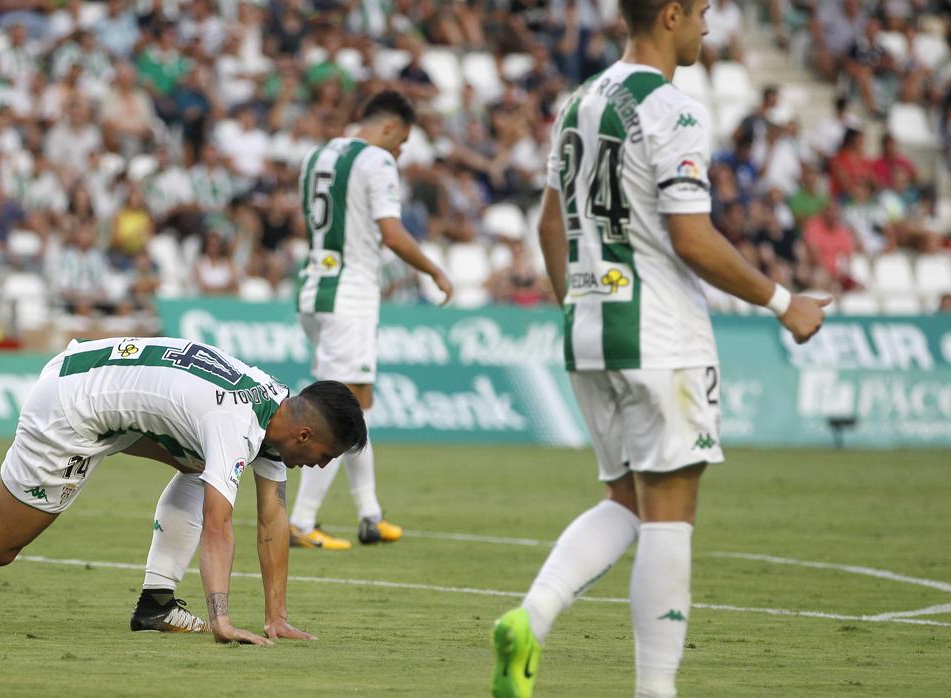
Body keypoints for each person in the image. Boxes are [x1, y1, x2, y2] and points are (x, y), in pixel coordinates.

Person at [490, 3, 828, 698]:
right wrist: (781, 302)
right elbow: (692, 238)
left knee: (626, 499)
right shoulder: (672, 107)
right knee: (671, 513)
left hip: (590, 329)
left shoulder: (579, 101)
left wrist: (577, 304)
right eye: (701, 11)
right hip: (661, 333)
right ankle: (655, 690)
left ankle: (533, 615)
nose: (708, 26)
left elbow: (551, 223)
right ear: (670, 14)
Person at [0, 336, 367, 647]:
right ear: (307, 433)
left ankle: (156, 606)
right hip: (72, 411)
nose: (317, 469)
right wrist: (221, 618)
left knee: (200, 467)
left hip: (93, 374)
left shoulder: (274, 407)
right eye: (323, 458)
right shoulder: (237, 421)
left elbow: (271, 521)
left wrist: (276, 616)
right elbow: (221, 524)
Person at [288, 89, 453, 551]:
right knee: (336, 409)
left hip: (313, 289)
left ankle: (369, 515)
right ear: (388, 126)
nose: (398, 152)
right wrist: (434, 269)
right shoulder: (376, 160)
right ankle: (301, 520)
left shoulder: (316, 155)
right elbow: (392, 232)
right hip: (349, 296)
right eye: (401, 141)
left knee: (358, 403)